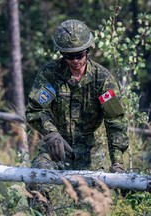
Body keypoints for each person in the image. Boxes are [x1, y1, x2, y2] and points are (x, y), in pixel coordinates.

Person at [25, 19, 129, 212]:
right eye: (68, 55)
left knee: (93, 200)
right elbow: (35, 110)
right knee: (35, 181)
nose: (74, 60)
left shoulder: (102, 79)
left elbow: (115, 121)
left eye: (79, 54)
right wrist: (51, 133)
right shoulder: (50, 74)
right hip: (57, 148)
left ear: (88, 50)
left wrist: (117, 163)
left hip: (90, 152)